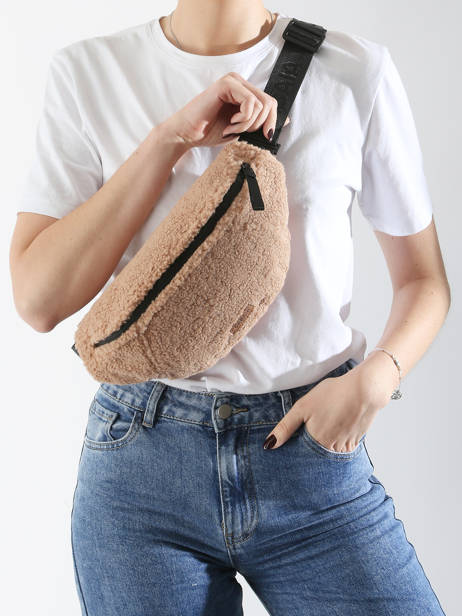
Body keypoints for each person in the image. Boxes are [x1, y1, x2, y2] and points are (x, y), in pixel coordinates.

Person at [10, 1, 450, 614]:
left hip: (309, 452)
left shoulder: (354, 69)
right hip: (141, 468)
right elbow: (38, 301)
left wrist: (375, 382)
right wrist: (170, 139)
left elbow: (424, 280)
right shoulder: (90, 71)